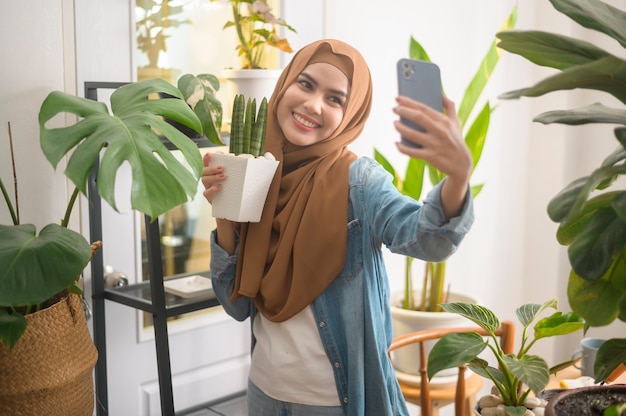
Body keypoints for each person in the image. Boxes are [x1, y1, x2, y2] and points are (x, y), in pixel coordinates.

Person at [201, 39, 474, 416]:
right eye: (306, 84)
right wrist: (224, 216)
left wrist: (458, 177)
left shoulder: (359, 181)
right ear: (285, 85)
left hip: (335, 402)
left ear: (352, 113)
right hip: (263, 391)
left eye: (335, 99)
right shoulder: (256, 169)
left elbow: (428, 240)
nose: (313, 105)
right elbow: (236, 304)